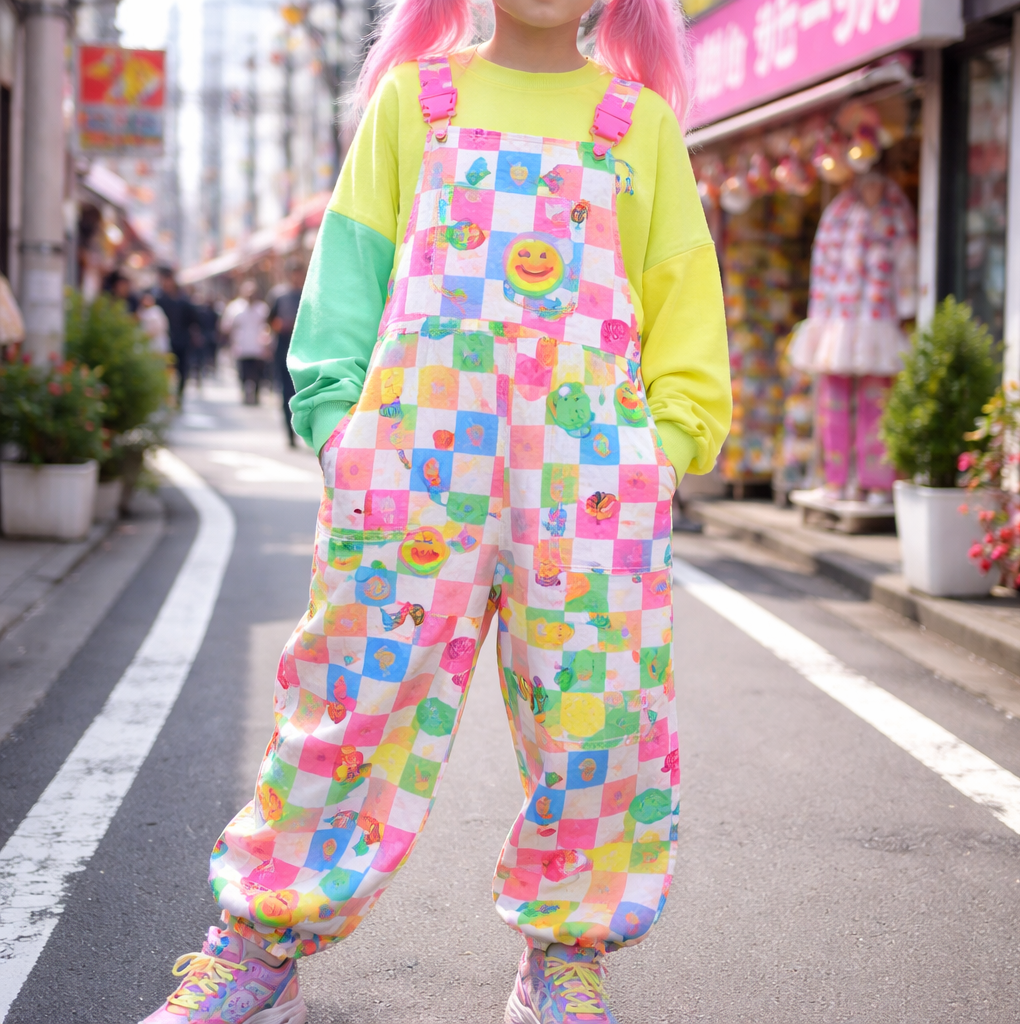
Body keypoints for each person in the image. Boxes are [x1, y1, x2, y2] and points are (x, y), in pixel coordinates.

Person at [141, 2, 730, 1022]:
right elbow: (346, 277)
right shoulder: (417, 99)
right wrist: (338, 426)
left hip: (589, 479)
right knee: (348, 702)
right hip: (413, 467)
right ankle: (258, 943)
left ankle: (566, 952)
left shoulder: (639, 125)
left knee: (601, 717)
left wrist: (663, 452)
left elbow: (685, 301)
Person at [267, 262, 306, 446]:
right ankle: (289, 433)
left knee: (304, 390)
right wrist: (280, 325)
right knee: (286, 393)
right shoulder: (279, 295)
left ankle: (305, 431)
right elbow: (269, 321)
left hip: (305, 349)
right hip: (284, 348)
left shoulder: (309, 294)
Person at [221, 280, 271, 405]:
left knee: (258, 374)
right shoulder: (235, 308)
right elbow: (226, 326)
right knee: (243, 373)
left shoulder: (262, 308)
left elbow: (268, 326)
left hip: (258, 348)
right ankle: (245, 393)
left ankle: (256, 394)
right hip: (241, 347)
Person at [155, 267, 195, 405]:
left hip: (182, 340)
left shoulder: (183, 300)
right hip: (165, 341)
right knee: (165, 368)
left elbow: (193, 319)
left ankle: (178, 395)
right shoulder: (159, 299)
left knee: (182, 369)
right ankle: (166, 396)